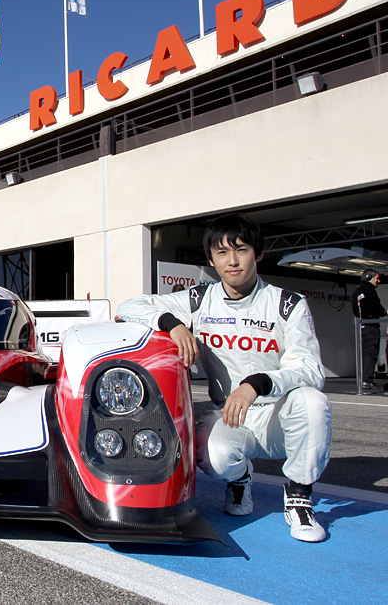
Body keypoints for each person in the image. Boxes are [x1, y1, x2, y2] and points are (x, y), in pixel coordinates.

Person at [116, 213, 332, 543]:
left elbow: (311, 370)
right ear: (212, 260)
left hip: (277, 414)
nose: (232, 261)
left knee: (313, 402)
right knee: (210, 455)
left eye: (241, 250)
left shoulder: (288, 304)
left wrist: (256, 384)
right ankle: (240, 479)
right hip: (230, 416)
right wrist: (172, 323)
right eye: (222, 253)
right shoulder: (200, 299)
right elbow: (130, 305)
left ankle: (300, 496)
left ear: (258, 253)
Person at [350, 269, 386, 392]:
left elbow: (356, 309)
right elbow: (376, 307)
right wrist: (384, 312)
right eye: (377, 278)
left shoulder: (357, 291)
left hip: (361, 327)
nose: (379, 281)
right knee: (371, 353)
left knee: (363, 354)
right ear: (370, 277)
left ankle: (363, 380)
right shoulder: (369, 290)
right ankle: (367, 381)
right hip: (370, 327)